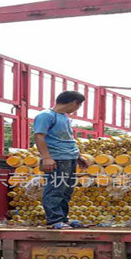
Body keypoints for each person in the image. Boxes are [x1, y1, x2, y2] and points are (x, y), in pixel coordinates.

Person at [33, 91, 88, 229]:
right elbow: (39, 136)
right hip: (57, 158)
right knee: (55, 189)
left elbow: (68, 138)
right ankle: (54, 220)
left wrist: (78, 156)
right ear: (74, 102)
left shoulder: (64, 117)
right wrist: (46, 157)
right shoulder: (46, 115)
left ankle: (63, 218)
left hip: (69, 157)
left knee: (66, 190)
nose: (77, 108)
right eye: (79, 105)